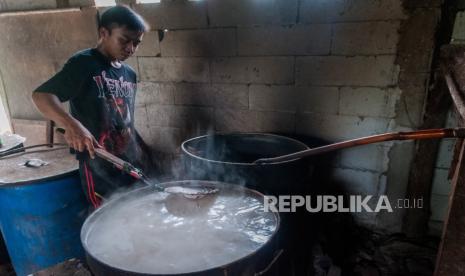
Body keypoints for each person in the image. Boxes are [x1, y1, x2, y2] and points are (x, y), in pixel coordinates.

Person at [32, 5, 152, 209]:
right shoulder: (84, 64)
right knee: (110, 221)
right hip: (99, 167)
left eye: (136, 43)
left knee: (138, 215)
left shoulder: (129, 74)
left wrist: (142, 150)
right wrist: (73, 125)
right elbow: (42, 95)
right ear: (103, 33)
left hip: (128, 161)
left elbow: (125, 118)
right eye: (124, 40)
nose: (130, 48)